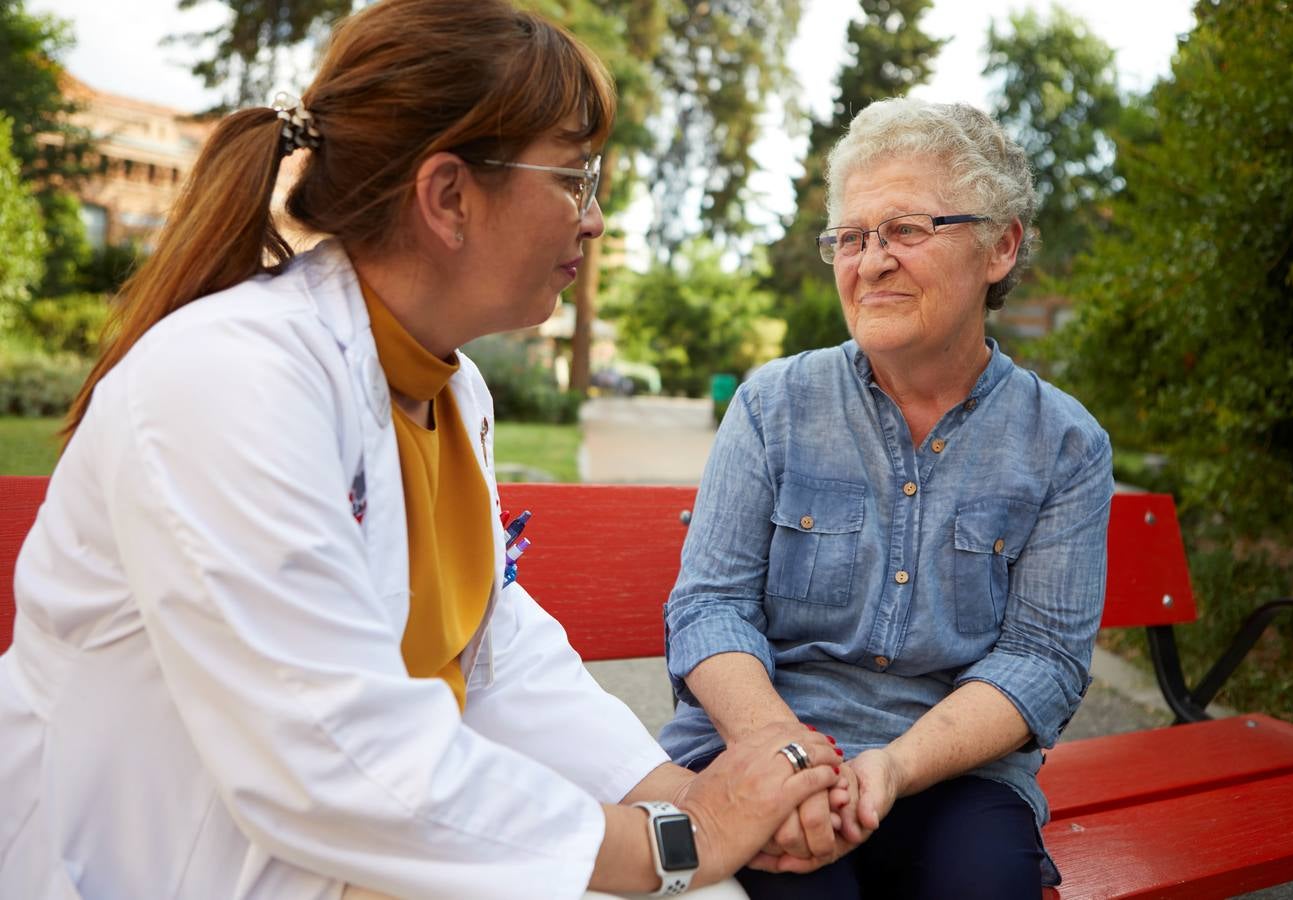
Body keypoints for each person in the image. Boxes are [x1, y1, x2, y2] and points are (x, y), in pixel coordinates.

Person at [0, 2, 845, 897]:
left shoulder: (448, 389)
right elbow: (327, 756)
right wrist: (678, 844)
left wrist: (685, 797)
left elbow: (494, 654)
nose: (592, 220)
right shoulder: (227, 379)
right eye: (572, 178)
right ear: (448, 197)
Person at [658, 96, 1113, 899]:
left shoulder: (1064, 444)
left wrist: (893, 767)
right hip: (760, 743)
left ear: (999, 247)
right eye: (851, 237)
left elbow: (1042, 661)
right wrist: (784, 754)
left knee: (986, 887)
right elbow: (709, 607)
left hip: (947, 766)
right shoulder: (773, 407)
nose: (870, 261)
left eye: (905, 230)